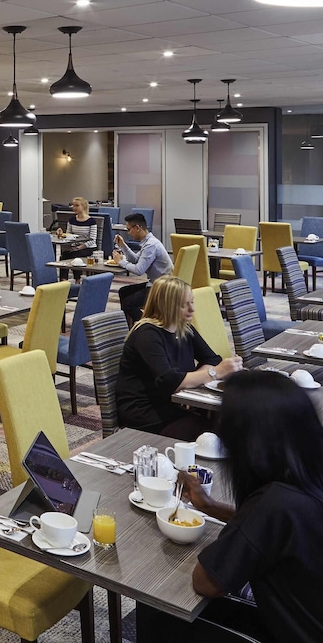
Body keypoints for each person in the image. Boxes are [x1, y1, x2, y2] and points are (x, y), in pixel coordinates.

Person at [136, 370, 323, 642]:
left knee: (156, 604)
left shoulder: (274, 503)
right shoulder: (306, 479)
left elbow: (206, 582)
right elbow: (274, 531)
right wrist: (209, 506)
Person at [116, 275, 242, 439]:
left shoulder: (183, 327)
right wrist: (214, 373)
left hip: (174, 403)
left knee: (232, 422)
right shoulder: (147, 334)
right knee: (217, 434)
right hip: (146, 412)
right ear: (166, 306)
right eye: (184, 305)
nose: (192, 309)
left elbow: (211, 359)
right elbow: (169, 380)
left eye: (192, 302)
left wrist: (187, 383)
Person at [113, 211, 173, 323]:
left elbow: (139, 270)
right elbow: (136, 260)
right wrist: (123, 246)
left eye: (129, 229)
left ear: (137, 228)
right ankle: (128, 327)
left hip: (161, 288)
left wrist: (121, 262)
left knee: (128, 304)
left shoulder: (151, 245)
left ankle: (147, 325)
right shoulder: (148, 241)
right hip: (157, 283)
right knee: (123, 292)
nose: (128, 233)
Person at [59, 197, 96, 279]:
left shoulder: (91, 221)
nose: (74, 208)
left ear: (83, 206)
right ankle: (63, 280)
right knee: (64, 255)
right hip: (74, 246)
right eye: (73, 205)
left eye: (77, 205)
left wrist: (80, 247)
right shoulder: (71, 220)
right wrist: (62, 234)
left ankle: (77, 279)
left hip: (88, 247)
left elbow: (92, 240)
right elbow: (68, 235)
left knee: (74, 255)